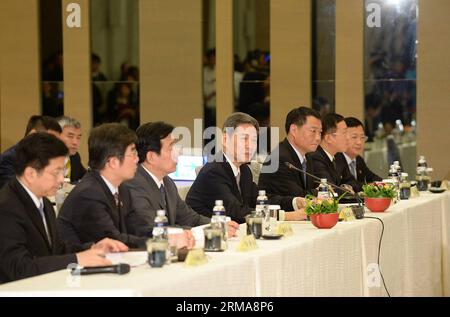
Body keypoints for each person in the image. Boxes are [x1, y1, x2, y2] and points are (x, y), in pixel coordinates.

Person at [0, 133, 128, 283]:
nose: (61, 179)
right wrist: (78, 259)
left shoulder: (44, 203)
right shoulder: (6, 207)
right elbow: (20, 268)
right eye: (56, 172)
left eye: (63, 172)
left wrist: (91, 248)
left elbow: (57, 251)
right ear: (31, 174)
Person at [124, 122, 238, 241]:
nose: (178, 152)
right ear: (151, 157)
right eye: (171, 147)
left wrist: (217, 225)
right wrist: (205, 231)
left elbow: (191, 218)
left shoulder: (167, 182)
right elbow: (152, 230)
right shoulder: (133, 183)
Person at [57, 123, 149, 248]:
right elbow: (112, 239)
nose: (137, 159)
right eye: (132, 153)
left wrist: (167, 236)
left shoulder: (122, 189)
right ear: (113, 162)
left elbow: (138, 227)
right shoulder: (89, 193)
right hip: (76, 265)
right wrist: (159, 243)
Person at [186, 113, 259, 224]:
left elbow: (258, 200)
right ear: (225, 140)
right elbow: (235, 212)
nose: (250, 145)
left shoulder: (245, 170)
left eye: (254, 140)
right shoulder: (214, 171)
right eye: (244, 139)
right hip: (203, 234)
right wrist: (282, 215)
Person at [258, 106, 322, 211]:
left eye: (320, 132)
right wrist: (318, 191)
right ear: (294, 130)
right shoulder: (279, 159)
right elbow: (299, 196)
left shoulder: (307, 157)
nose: (318, 138)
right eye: (313, 131)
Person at [0, 115, 62, 189]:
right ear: (33, 134)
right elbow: (13, 191)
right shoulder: (9, 158)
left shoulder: (43, 155)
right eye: (50, 140)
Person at [309, 113, 361, 196]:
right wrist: (346, 189)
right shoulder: (315, 158)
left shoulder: (339, 155)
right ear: (329, 138)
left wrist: (346, 186)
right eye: (344, 133)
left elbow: (353, 182)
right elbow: (330, 190)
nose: (348, 138)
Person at [344, 117, 382, 184]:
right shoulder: (337, 160)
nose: (359, 142)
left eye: (362, 137)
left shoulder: (358, 160)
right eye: (354, 137)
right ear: (343, 138)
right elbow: (351, 185)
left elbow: (373, 178)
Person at [57, 116, 86, 183]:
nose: (75, 142)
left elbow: (87, 178)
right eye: (70, 136)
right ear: (57, 136)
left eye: (78, 138)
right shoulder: (45, 158)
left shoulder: (75, 157)